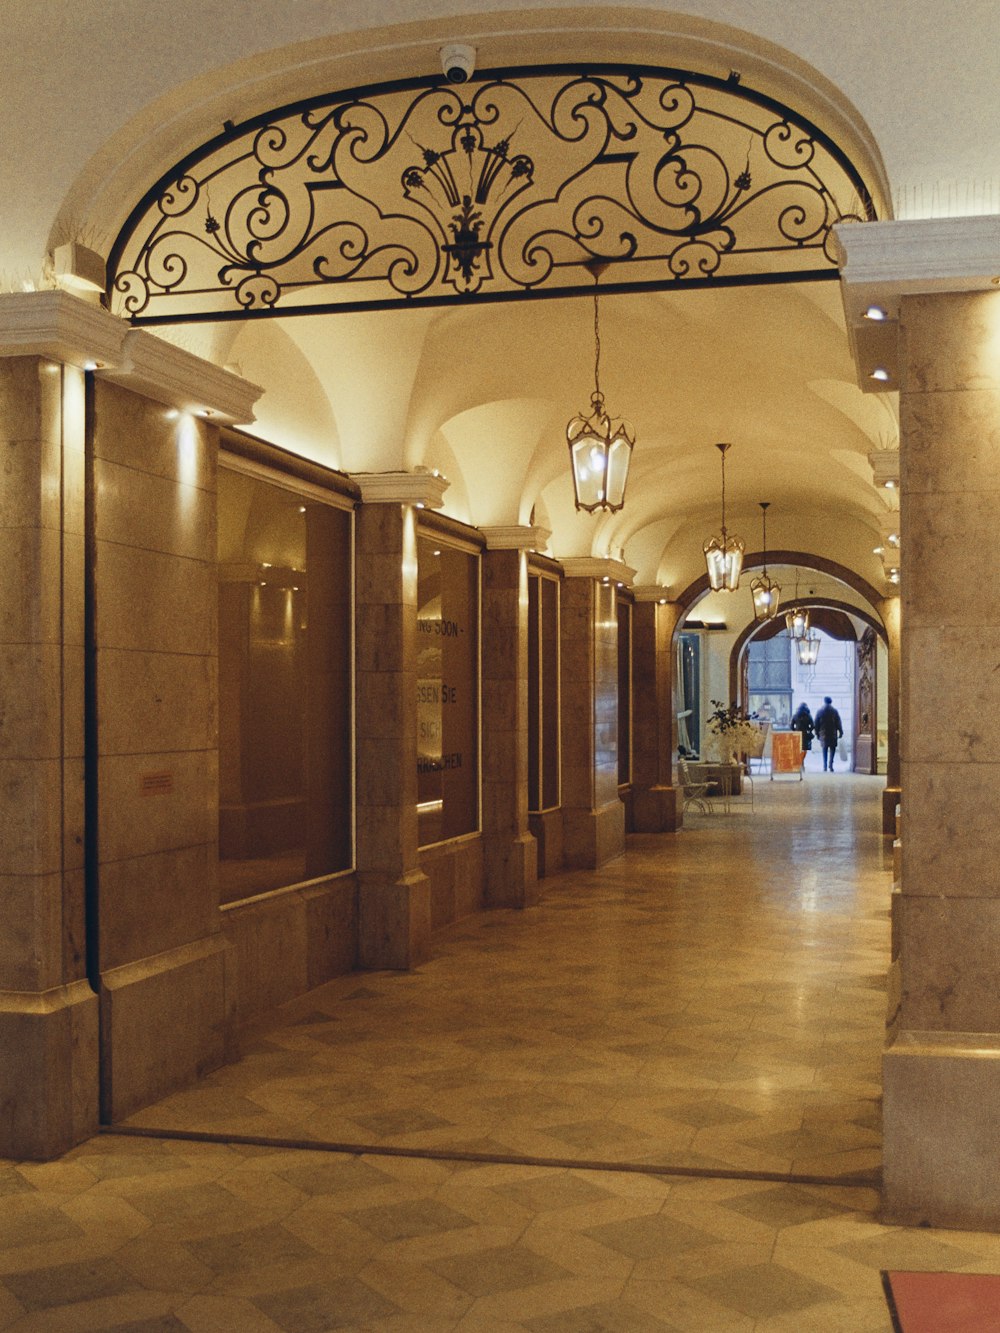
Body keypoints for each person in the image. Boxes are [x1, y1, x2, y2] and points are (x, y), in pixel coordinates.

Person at [814, 696, 844, 771]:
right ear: (831, 702)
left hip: (823, 733)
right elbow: (838, 722)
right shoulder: (834, 711)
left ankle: (824, 765)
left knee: (824, 749)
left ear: (824, 701)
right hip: (833, 733)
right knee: (832, 749)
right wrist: (840, 732)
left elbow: (816, 723)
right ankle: (831, 765)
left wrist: (817, 733)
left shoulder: (820, 711)